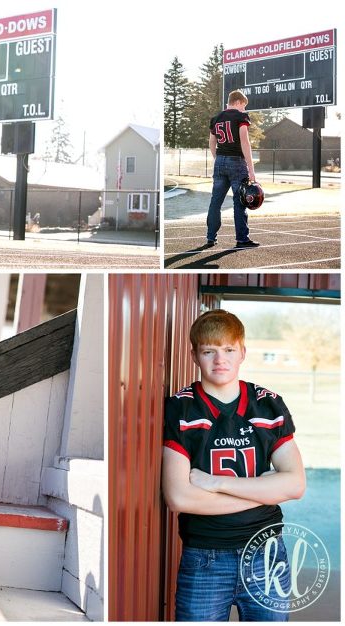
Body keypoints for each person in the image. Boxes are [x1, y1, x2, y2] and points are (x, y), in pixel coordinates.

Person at [162, 309, 305, 622]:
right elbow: (179, 498)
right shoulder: (181, 408)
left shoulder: (268, 404)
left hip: (266, 553)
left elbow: (295, 485)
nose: (220, 360)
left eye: (228, 350)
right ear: (194, 355)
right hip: (205, 558)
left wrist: (218, 483)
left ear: (243, 352)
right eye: (208, 351)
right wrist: (265, 490)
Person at [205, 90, 258, 249]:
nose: (244, 109)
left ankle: (211, 237)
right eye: (244, 105)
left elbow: (211, 142)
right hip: (237, 162)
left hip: (220, 161)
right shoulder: (241, 117)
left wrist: (217, 158)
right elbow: (245, 142)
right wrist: (251, 169)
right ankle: (242, 239)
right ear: (238, 102)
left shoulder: (216, 119)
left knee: (216, 201)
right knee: (239, 201)